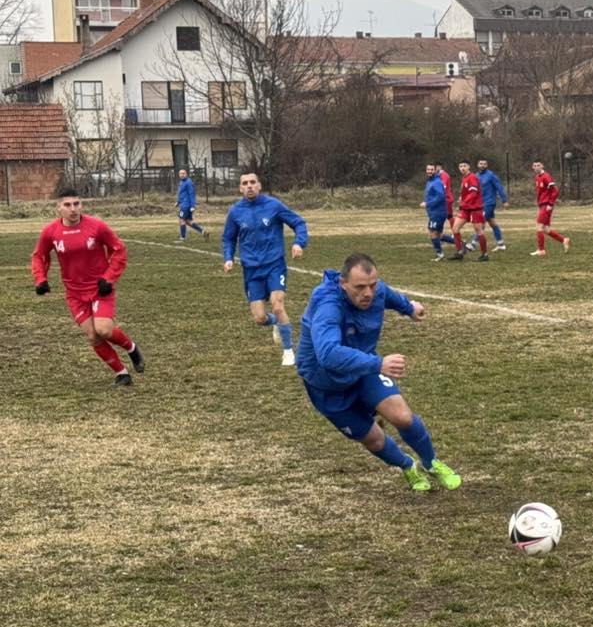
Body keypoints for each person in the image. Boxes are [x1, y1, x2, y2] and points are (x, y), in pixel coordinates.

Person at [297, 251, 462, 493]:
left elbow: (388, 295)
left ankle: (432, 463)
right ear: (343, 284)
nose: (368, 293)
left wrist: (409, 308)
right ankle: (408, 466)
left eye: (372, 285)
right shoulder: (327, 304)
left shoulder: (376, 291)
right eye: (360, 287)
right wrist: (378, 364)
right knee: (373, 439)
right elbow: (328, 354)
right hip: (326, 384)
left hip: (364, 369)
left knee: (402, 416)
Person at [31, 188, 145, 386]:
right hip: (74, 293)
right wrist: (40, 279)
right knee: (92, 336)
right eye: (67, 205)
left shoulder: (97, 226)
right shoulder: (50, 232)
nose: (73, 209)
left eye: (77, 204)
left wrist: (109, 279)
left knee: (104, 330)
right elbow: (39, 256)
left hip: (100, 289)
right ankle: (122, 373)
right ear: (58, 207)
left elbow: (119, 250)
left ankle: (132, 348)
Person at [221, 172, 308, 367]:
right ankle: (276, 323)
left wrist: (299, 243)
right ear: (240, 188)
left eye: (253, 182)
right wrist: (228, 258)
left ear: (259, 185)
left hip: (274, 264)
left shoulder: (273, 205)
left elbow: (299, 223)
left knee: (278, 306)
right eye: (245, 183)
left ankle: (288, 351)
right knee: (260, 318)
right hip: (251, 269)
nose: (249, 186)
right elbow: (228, 238)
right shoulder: (235, 212)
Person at [466, 158, 508, 252]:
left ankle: (473, 244)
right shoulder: (476, 176)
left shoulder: (491, 176)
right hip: (480, 204)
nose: (482, 165)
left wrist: (504, 200)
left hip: (489, 203)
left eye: (484, 164)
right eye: (481, 163)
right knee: (492, 223)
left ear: (487, 165)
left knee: (481, 222)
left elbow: (499, 188)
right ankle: (501, 244)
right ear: (478, 165)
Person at [450, 161, 489, 261]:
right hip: (466, 209)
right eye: (460, 166)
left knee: (479, 231)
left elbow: (473, 193)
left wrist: (463, 202)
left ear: (469, 167)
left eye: (464, 166)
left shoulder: (472, 177)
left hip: (475, 209)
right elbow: (467, 193)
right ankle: (460, 252)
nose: (462, 168)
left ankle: (484, 255)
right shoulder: (464, 178)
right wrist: (462, 199)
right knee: (455, 228)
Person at [531, 160, 570, 256]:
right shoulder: (537, 177)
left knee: (539, 226)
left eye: (538, 165)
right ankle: (564, 240)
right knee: (546, 229)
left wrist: (550, 204)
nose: (536, 167)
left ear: (542, 166)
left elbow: (555, 191)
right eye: (535, 165)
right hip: (542, 205)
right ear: (533, 167)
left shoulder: (546, 176)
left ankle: (541, 250)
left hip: (546, 205)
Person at [422, 163, 456, 260]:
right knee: (439, 235)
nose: (429, 171)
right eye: (428, 169)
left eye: (431, 169)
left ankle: (439, 254)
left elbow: (440, 197)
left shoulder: (437, 182)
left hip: (438, 212)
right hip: (434, 212)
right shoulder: (430, 181)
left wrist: (428, 204)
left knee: (432, 233)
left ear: (435, 170)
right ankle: (461, 244)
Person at [175, 168, 208, 241]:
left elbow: (191, 194)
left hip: (186, 205)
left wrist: (193, 205)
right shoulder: (181, 182)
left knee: (182, 220)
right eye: (180, 173)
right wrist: (178, 202)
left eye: (183, 173)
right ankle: (202, 231)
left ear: (186, 174)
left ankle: (183, 237)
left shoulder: (188, 182)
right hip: (183, 204)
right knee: (188, 221)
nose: (182, 175)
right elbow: (182, 194)